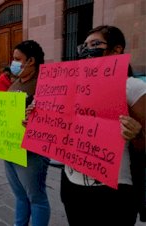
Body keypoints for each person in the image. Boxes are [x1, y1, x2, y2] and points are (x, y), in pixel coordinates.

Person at [60, 25, 146, 226]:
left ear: (116, 50)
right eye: (85, 46)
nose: (88, 50)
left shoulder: (132, 87)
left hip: (113, 190)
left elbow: (144, 143)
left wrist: (138, 134)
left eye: (96, 44)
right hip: (71, 182)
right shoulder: (73, 85)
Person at [6, 40, 50, 226]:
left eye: (17, 59)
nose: (13, 63)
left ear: (31, 61)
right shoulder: (15, 83)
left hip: (32, 151)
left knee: (36, 197)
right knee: (20, 195)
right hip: (10, 146)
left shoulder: (45, 84)